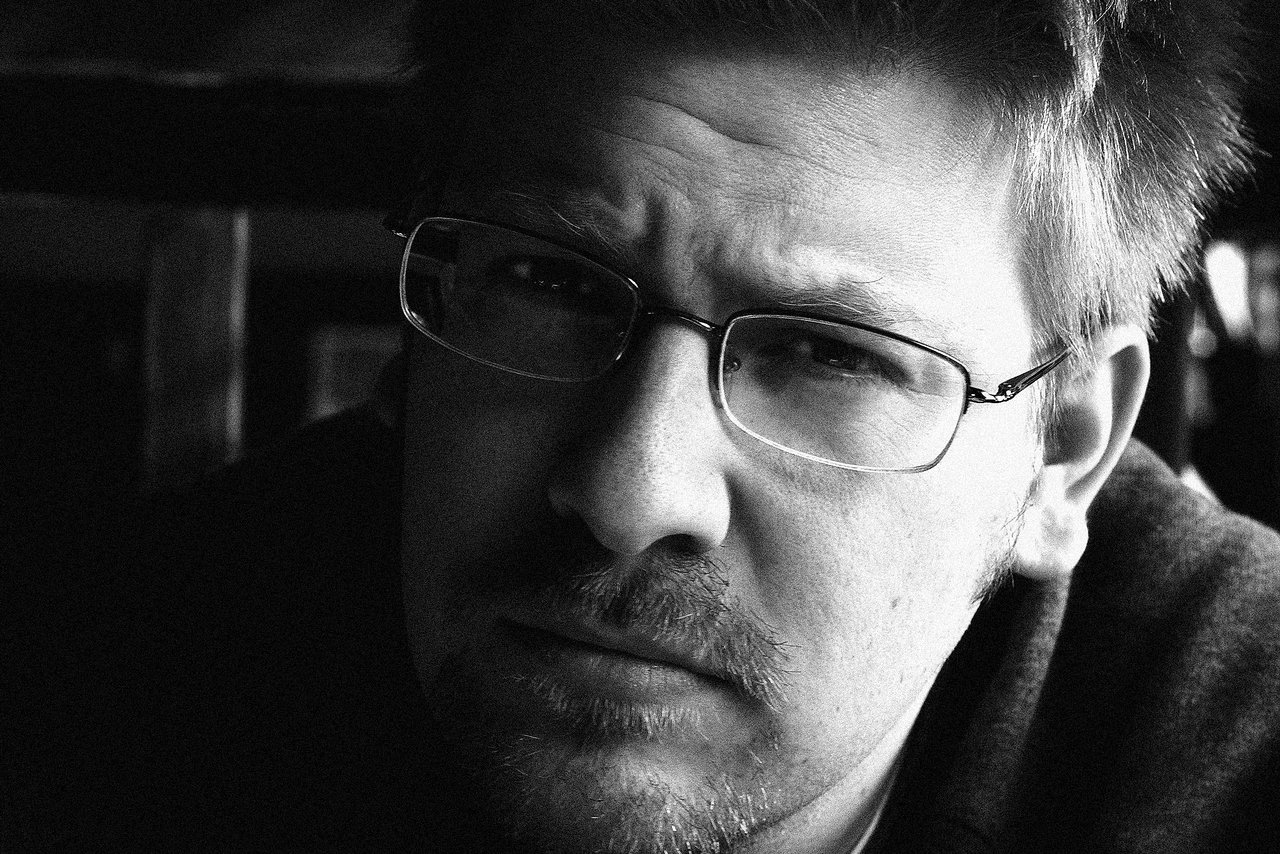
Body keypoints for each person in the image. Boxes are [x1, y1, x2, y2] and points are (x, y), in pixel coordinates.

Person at [8, 0, 1279, 852]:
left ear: (1059, 451)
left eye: (828, 354)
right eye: (547, 284)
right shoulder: (107, 680)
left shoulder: (1236, 747)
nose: (626, 488)